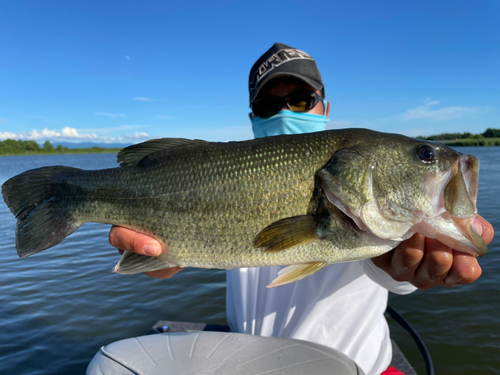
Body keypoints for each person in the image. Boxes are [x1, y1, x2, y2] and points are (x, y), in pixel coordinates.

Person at [109, 43, 494, 375]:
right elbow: (183, 252)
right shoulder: (232, 173)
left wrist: (405, 270)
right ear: (252, 118)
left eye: (299, 101)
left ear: (324, 106)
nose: (284, 112)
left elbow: (392, 271)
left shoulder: (359, 204)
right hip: (246, 361)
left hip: (352, 366)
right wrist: (164, 259)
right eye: (267, 104)